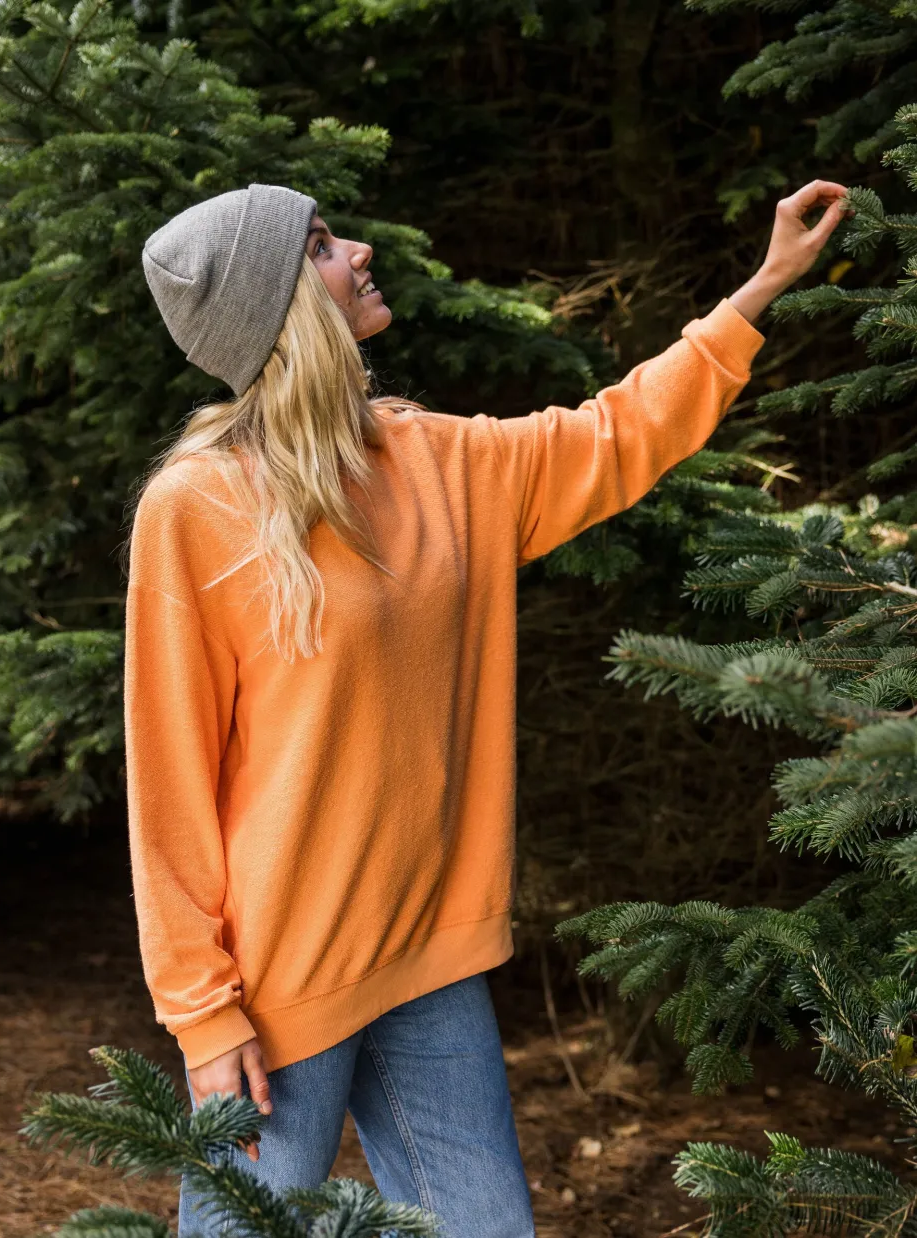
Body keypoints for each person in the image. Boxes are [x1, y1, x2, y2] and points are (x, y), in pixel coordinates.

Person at [124, 179, 852, 1237]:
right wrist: (202, 1010)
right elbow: (169, 783)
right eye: (322, 245)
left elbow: (614, 436)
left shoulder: (436, 459)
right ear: (276, 306)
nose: (360, 251)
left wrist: (764, 285)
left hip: (431, 954)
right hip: (280, 985)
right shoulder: (196, 505)